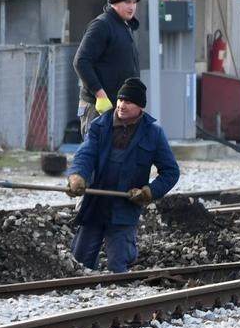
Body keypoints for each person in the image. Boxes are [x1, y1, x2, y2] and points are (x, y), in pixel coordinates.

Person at [65, 77, 179, 273]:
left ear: (140, 107)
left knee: (118, 266)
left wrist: (148, 192)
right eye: (120, 100)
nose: (122, 105)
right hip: (96, 203)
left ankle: (118, 298)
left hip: (124, 207)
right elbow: (86, 154)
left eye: (128, 101)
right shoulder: (100, 126)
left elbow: (171, 172)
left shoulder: (153, 133)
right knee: (80, 263)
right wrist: (77, 176)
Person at [72, 0, 141, 135]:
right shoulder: (102, 25)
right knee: (96, 156)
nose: (132, 7)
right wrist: (100, 95)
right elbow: (81, 61)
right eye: (127, 2)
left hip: (120, 109)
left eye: (134, 2)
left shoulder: (125, 27)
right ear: (114, 3)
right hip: (99, 109)